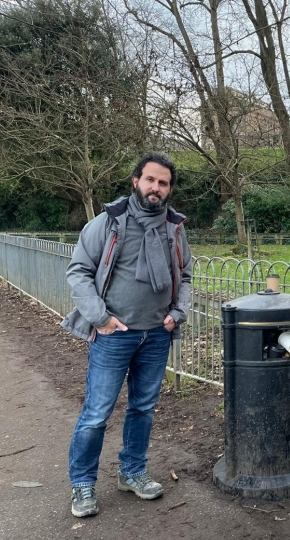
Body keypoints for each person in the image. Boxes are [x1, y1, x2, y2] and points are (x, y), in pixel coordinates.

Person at [60, 152, 193, 518]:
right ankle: (83, 484)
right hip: (114, 335)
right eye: (150, 179)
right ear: (135, 181)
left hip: (156, 335)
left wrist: (176, 314)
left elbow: (187, 276)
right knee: (96, 413)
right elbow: (79, 272)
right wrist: (100, 319)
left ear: (169, 189)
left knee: (142, 409)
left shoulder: (174, 228)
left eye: (163, 182)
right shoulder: (108, 223)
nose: (156, 187)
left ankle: (132, 472)